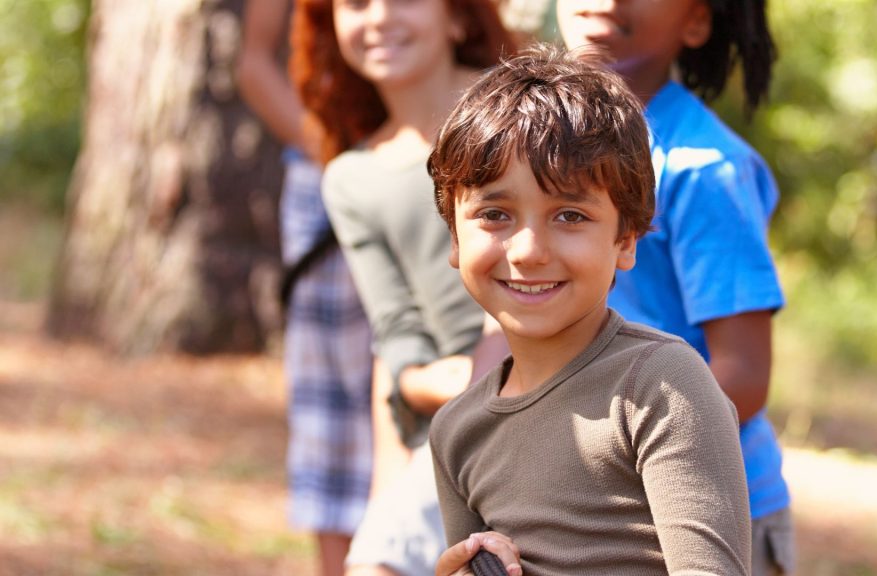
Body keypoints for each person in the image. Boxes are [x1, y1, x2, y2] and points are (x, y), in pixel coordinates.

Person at [429, 45, 751, 576]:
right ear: (455, 238)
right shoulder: (456, 431)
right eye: (494, 214)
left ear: (626, 240)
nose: (529, 249)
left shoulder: (661, 386)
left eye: (570, 214)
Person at [556, 1, 794, 574]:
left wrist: (609, 455)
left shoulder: (704, 170)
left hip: (704, 507)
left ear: (697, 21)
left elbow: (745, 376)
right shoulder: (544, 148)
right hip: (599, 496)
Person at [289, 1, 515, 574]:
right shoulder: (350, 180)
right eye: (357, 3)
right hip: (448, 416)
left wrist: (485, 377)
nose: (380, 17)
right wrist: (424, 382)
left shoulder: (522, 118)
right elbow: (395, 335)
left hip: (541, 382)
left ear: (458, 17)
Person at [235, 2, 374, 575]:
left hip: (439, 167)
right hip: (325, 178)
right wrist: (333, 152)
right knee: (334, 416)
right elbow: (254, 63)